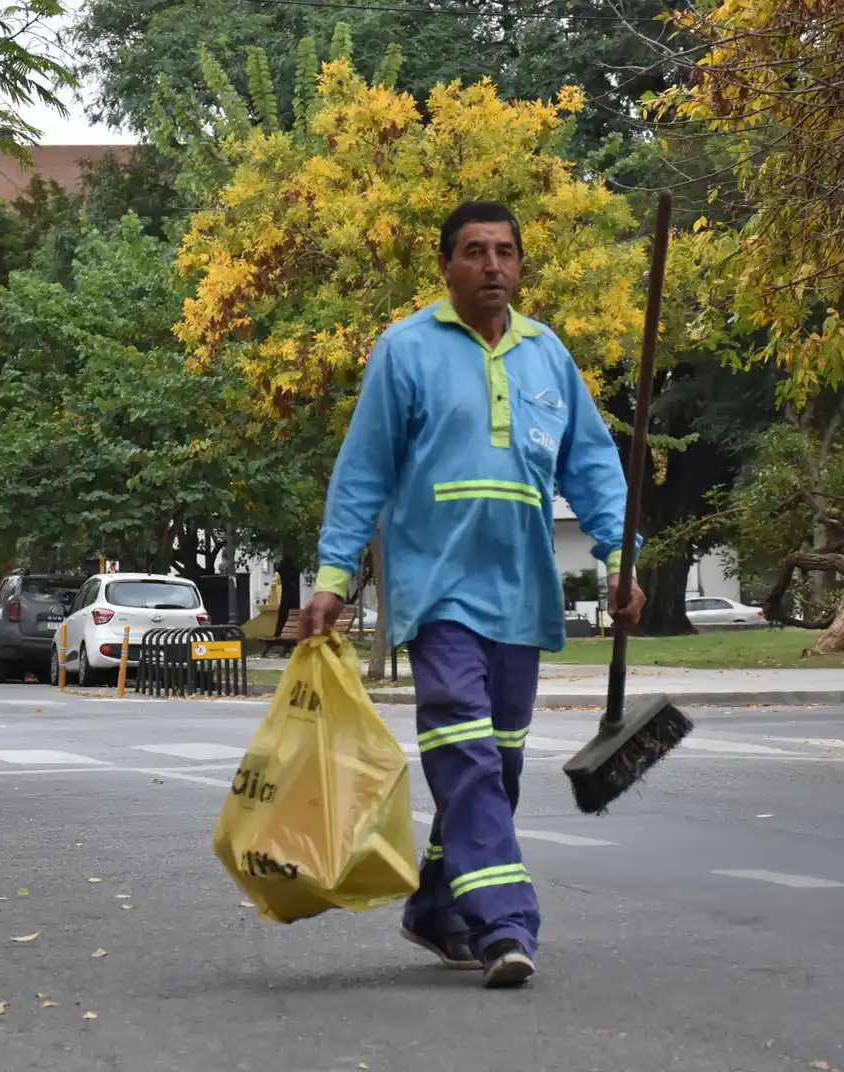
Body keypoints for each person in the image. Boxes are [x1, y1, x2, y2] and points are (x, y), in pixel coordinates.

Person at [298, 200, 646, 988]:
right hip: (437, 590)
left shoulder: (548, 355)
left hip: (521, 594)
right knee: (465, 749)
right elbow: (363, 472)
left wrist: (620, 559)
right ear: (446, 266)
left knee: (500, 764)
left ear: (520, 264)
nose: (493, 265)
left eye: (506, 252)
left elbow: (594, 467)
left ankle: (435, 905)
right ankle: (505, 924)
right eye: (476, 251)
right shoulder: (406, 350)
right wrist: (333, 577)